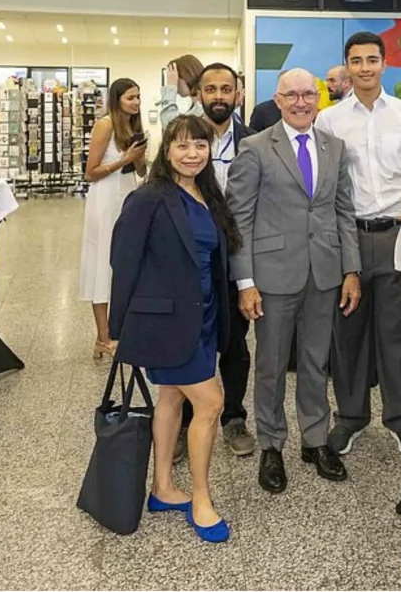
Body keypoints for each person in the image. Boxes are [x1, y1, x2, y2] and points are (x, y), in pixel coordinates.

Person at [227, 68, 362, 492]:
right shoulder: (254, 148)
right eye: (292, 95)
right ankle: (271, 445)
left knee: (315, 361)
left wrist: (351, 270)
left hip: (324, 273)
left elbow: (344, 212)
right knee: (270, 364)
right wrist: (245, 282)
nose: (301, 102)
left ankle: (315, 440)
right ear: (278, 100)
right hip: (272, 276)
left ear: (318, 98)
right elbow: (239, 220)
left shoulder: (334, 147)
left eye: (308, 94)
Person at [109, 115, 239, 543]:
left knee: (171, 399)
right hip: (166, 323)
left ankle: (163, 488)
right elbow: (123, 260)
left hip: (204, 316)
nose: (192, 154)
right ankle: (201, 499)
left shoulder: (207, 194)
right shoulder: (148, 198)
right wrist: (118, 328)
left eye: (200, 145)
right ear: (166, 151)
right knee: (211, 403)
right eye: (182, 146)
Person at [315, 31, 401, 458]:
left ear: (385, 64)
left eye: (372, 60)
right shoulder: (329, 120)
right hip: (348, 238)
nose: (365, 68)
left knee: (398, 330)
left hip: (397, 235)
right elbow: (324, 185)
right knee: (347, 332)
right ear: (347, 66)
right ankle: (350, 417)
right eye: (356, 60)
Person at [174, 64, 256, 463]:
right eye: (211, 89)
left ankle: (234, 418)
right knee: (190, 340)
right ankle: (185, 421)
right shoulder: (183, 138)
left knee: (235, 343)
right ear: (198, 94)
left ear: (238, 94)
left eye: (226, 89)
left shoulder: (254, 141)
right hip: (192, 255)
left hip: (236, 254)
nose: (219, 96)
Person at [78, 78, 147, 360]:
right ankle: (103, 336)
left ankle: (122, 330)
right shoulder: (105, 125)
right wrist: (123, 159)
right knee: (103, 263)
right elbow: (90, 172)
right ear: (117, 99)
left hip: (128, 197)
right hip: (106, 199)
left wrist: (139, 157)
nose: (136, 102)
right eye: (130, 97)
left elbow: (140, 172)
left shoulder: (133, 127)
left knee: (125, 262)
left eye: (138, 97)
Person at [159, 55, 205, 129]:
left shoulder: (202, 108)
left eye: (176, 78)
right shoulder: (196, 107)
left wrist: (171, 88)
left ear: (187, 76)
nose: (175, 84)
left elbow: (170, 127)